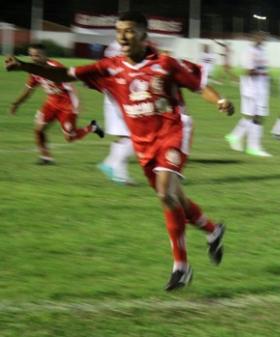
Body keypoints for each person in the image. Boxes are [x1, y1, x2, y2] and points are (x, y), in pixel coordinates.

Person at [5, 11, 235, 291]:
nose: (122, 36)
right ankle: (212, 231)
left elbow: (198, 86)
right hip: (143, 144)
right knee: (175, 199)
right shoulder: (110, 67)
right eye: (119, 31)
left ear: (142, 35)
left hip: (172, 133)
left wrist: (220, 100)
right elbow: (65, 74)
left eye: (128, 31)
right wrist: (26, 66)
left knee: (165, 192)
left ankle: (181, 267)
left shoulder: (165, 63)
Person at [8, 43, 104, 165]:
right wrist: (16, 103)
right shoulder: (34, 71)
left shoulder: (55, 66)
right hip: (51, 103)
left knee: (70, 137)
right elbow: (28, 90)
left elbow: (71, 86)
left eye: (37, 55)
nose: (34, 58)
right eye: (31, 55)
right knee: (39, 129)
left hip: (67, 106)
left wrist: (77, 104)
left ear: (44, 55)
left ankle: (93, 127)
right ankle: (46, 158)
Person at [225, 31, 272, 157]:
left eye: (264, 38)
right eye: (260, 37)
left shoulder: (262, 50)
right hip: (252, 89)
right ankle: (253, 147)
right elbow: (248, 71)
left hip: (261, 87)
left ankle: (234, 136)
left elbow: (261, 68)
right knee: (257, 117)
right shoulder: (250, 52)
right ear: (254, 38)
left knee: (254, 116)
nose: (263, 39)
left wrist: (266, 76)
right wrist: (263, 73)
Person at [98, 40, 136, 184]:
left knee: (126, 136)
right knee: (137, 135)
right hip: (121, 95)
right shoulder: (125, 46)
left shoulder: (113, 45)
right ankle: (112, 165)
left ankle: (118, 171)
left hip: (117, 94)